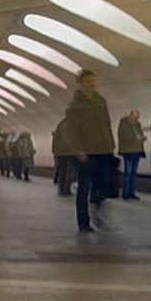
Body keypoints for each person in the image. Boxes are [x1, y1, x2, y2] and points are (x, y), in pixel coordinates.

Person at [61, 70, 114, 232]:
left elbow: (107, 124)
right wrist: (78, 149)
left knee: (104, 182)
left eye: (93, 81)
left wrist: (110, 144)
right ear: (81, 83)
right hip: (84, 151)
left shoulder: (101, 101)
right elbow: (71, 130)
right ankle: (83, 222)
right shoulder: (75, 105)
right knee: (84, 186)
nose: (92, 84)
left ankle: (95, 206)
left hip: (102, 149)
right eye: (88, 81)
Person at [117, 110, 146, 200]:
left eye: (137, 118)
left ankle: (131, 192)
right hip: (128, 151)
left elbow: (140, 134)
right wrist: (134, 137)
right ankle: (125, 193)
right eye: (135, 117)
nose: (136, 119)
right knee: (128, 172)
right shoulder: (123, 123)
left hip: (137, 151)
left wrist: (142, 137)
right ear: (130, 116)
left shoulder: (138, 125)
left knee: (133, 173)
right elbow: (121, 136)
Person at [51, 118, 73, 196]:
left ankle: (61, 190)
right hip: (67, 153)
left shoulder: (61, 124)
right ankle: (66, 190)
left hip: (60, 153)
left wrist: (55, 152)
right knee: (69, 171)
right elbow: (67, 140)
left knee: (62, 171)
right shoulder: (69, 125)